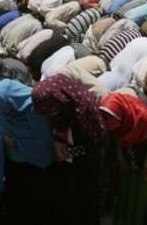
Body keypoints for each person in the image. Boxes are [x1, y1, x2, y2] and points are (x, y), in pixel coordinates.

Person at [31, 74, 106, 225]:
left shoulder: (83, 110)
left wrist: (70, 152)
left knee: (83, 210)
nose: (50, 116)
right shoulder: (55, 107)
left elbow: (97, 144)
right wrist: (55, 145)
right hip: (65, 169)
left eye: (50, 111)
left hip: (85, 170)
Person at [0, 79, 56, 225]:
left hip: (34, 168)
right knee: (17, 204)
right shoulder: (3, 109)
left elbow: (41, 137)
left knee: (34, 206)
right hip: (13, 166)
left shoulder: (34, 107)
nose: (2, 114)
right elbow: (1, 124)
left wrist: (16, 140)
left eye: (2, 110)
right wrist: (5, 136)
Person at [99, 93, 147, 225]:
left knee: (141, 201)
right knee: (127, 199)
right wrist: (121, 160)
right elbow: (117, 136)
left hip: (146, 166)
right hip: (128, 165)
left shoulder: (141, 117)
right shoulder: (117, 117)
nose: (113, 128)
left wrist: (146, 166)